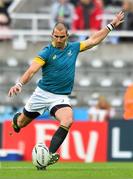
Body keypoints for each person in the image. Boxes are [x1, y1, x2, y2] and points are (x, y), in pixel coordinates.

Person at [8, 11, 124, 168]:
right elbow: (31, 71)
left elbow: (94, 40)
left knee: (68, 120)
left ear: (67, 35)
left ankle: (47, 156)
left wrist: (111, 25)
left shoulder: (74, 48)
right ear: (52, 35)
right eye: (56, 36)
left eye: (62, 37)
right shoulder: (47, 51)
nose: (58, 39)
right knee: (21, 124)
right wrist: (19, 84)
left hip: (60, 97)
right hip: (41, 95)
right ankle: (17, 120)